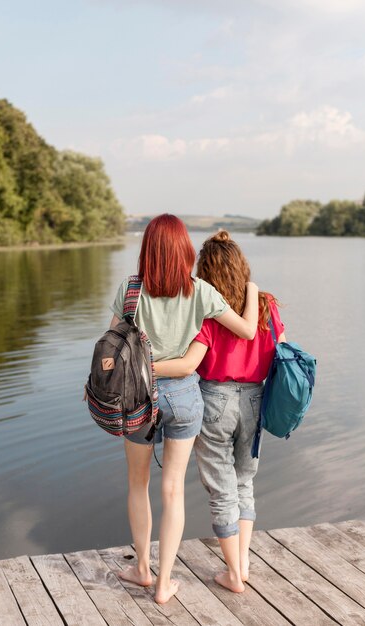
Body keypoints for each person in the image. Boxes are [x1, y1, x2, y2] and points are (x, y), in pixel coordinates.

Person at [109, 215, 259, 604]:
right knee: (173, 490)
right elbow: (246, 330)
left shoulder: (130, 290)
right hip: (185, 398)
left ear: (147, 249)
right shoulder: (201, 291)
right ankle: (165, 584)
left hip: (137, 397)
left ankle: (142, 568)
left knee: (137, 484)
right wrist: (254, 291)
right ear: (184, 250)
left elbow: (110, 350)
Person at [154, 230, 285, 594]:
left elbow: (187, 364)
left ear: (205, 271)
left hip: (214, 401)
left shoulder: (208, 311)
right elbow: (282, 352)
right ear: (242, 266)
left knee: (222, 490)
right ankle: (241, 565)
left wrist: (139, 366)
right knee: (244, 483)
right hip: (256, 401)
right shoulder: (266, 304)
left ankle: (233, 573)